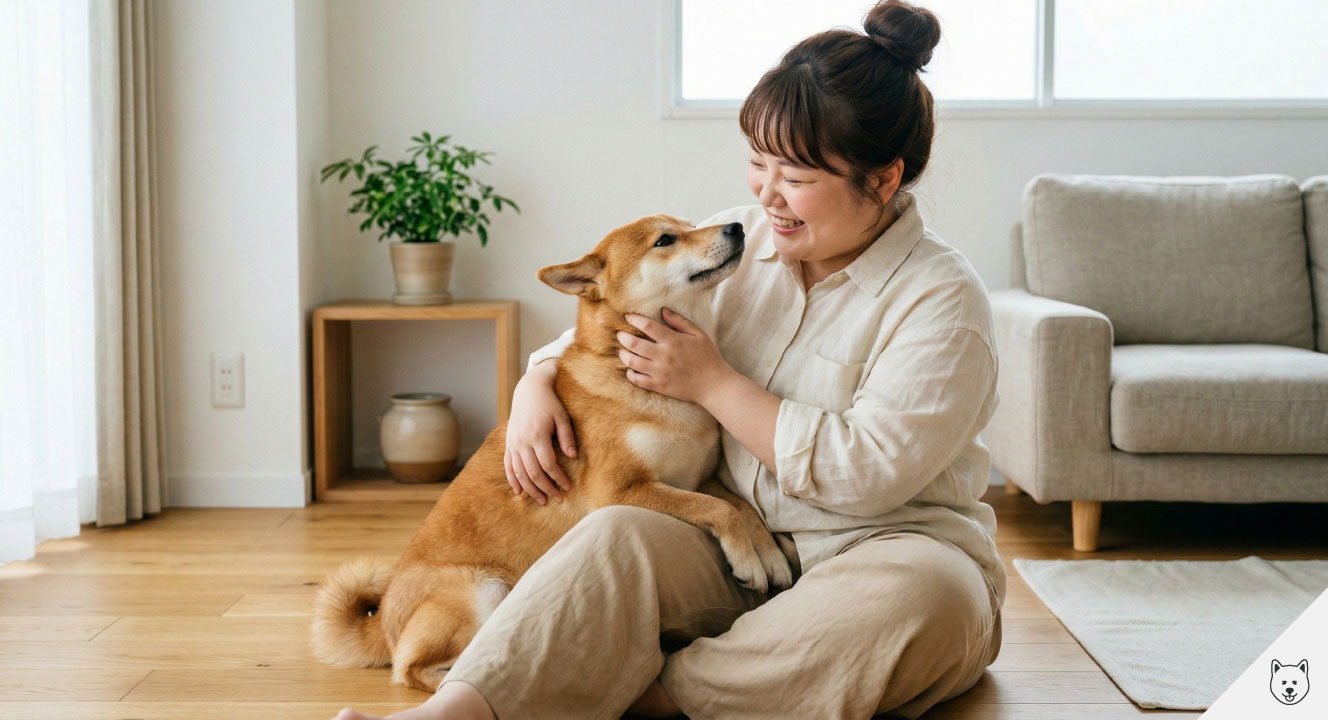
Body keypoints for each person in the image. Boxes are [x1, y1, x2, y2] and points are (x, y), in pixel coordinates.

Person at [333, 2, 1004, 718]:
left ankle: (653, 692)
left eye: (798, 176)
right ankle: (449, 716)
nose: (767, 195)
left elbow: (863, 473)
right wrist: (537, 379)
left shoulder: (942, 301)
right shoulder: (747, 246)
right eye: (757, 163)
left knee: (924, 602)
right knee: (614, 530)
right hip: (737, 550)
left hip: (887, 551)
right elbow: (625, 308)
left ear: (882, 178)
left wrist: (713, 382)